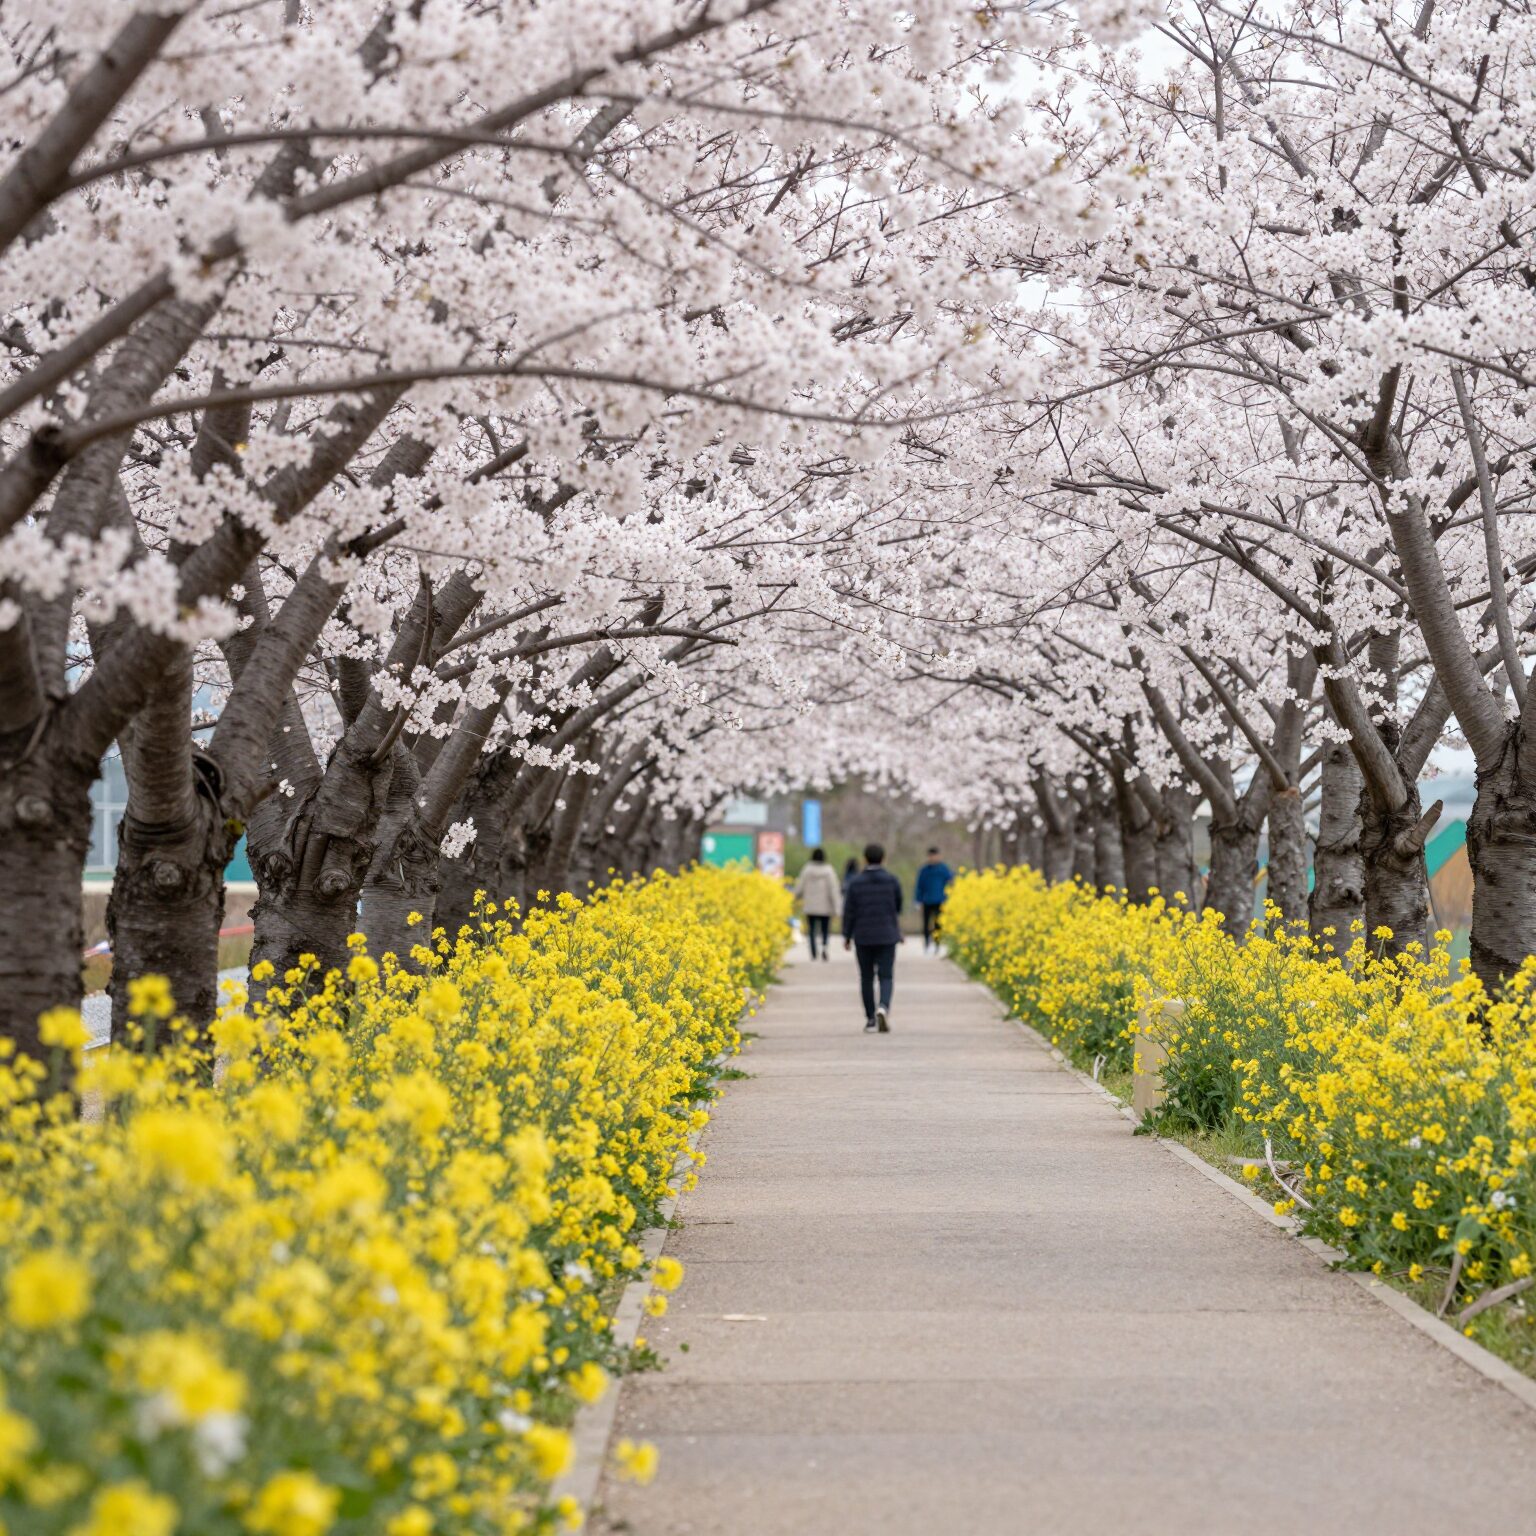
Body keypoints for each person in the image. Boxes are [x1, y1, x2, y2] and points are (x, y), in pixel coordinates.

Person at [842, 842, 903, 1033]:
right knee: (886, 976)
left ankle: (870, 1019)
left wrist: (847, 935)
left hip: (863, 936)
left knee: (866, 978)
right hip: (887, 935)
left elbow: (849, 911)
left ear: (864, 859)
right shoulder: (892, 880)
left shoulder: (856, 882)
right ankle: (883, 1007)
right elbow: (898, 906)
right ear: (883, 859)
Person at [792, 847, 841, 961]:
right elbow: (834, 889)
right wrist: (837, 907)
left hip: (811, 906)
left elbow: (799, 887)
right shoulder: (829, 871)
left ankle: (814, 952)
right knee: (825, 929)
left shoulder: (807, 870)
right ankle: (824, 947)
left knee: (812, 929)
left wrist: (793, 898)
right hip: (825, 907)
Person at [914, 846, 955, 952]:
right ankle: (927, 943)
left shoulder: (943, 868)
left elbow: (950, 882)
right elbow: (919, 886)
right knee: (926, 923)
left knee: (938, 923)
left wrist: (949, 898)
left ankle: (937, 943)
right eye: (931, 856)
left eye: (935, 856)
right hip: (926, 900)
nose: (933, 858)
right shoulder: (924, 870)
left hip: (940, 901)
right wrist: (918, 900)